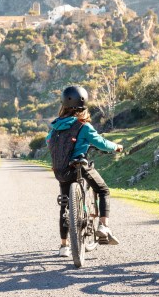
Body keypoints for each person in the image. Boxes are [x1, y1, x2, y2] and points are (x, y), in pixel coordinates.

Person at [46, 86, 123, 257]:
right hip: (79, 167)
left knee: (65, 205)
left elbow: (48, 142)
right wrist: (116, 147)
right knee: (103, 190)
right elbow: (101, 143)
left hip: (61, 171)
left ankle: (64, 246)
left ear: (63, 104)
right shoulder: (83, 126)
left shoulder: (55, 127)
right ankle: (103, 226)